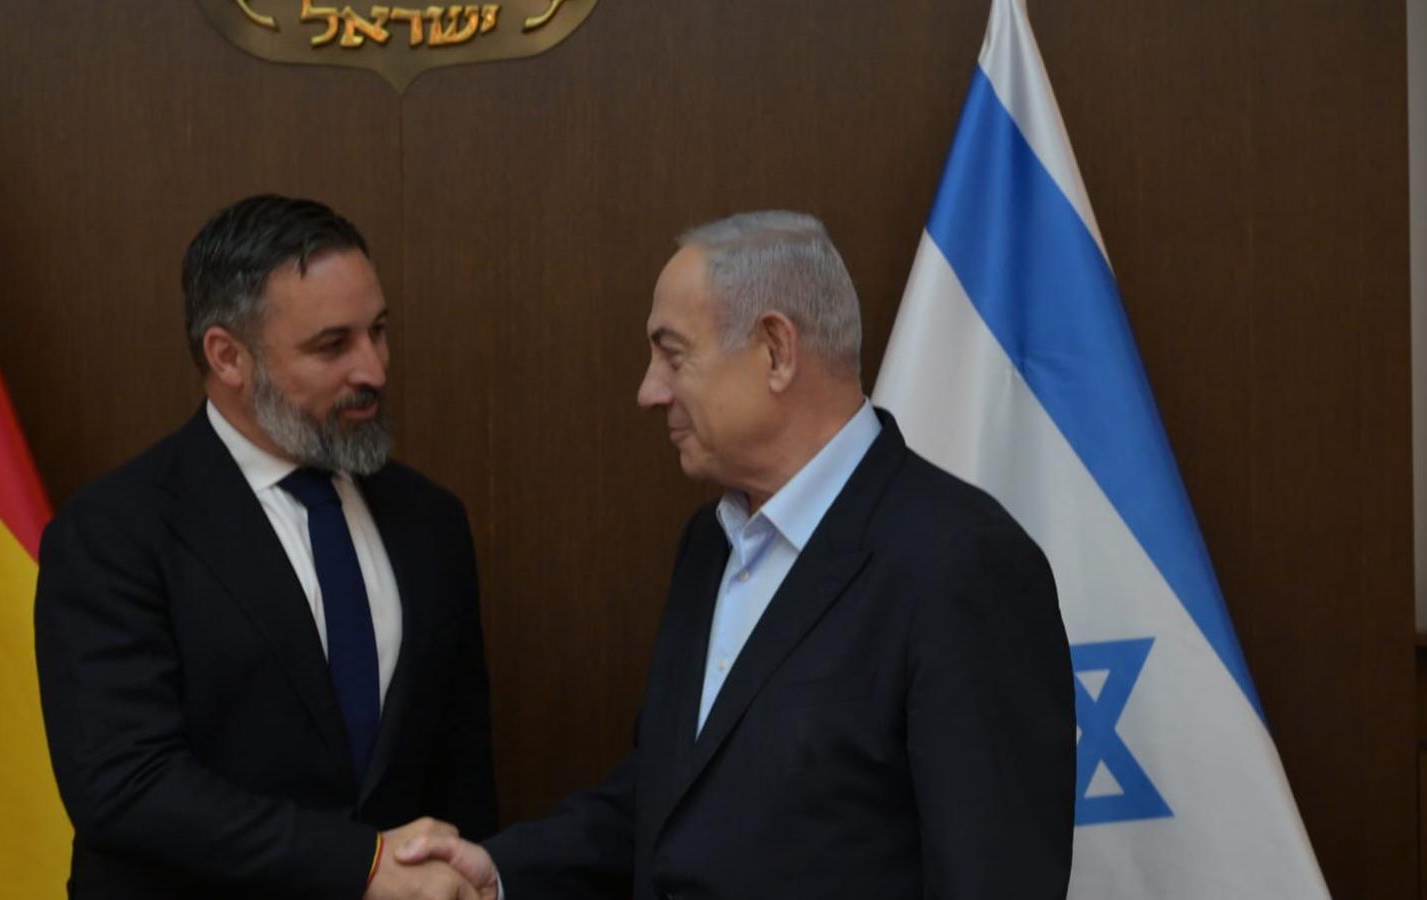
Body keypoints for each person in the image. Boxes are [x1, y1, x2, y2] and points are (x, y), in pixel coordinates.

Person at [395, 211, 1076, 898]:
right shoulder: (710, 543)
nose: (649, 391)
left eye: (673, 355)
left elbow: (992, 877)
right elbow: (669, 802)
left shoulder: (962, 564)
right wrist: (501, 871)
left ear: (776, 351)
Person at [34, 195, 497, 900]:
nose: (374, 370)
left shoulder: (430, 520)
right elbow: (127, 786)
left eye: (378, 332)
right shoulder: (113, 533)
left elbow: (461, 771)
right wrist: (361, 864)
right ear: (228, 357)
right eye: (332, 345)